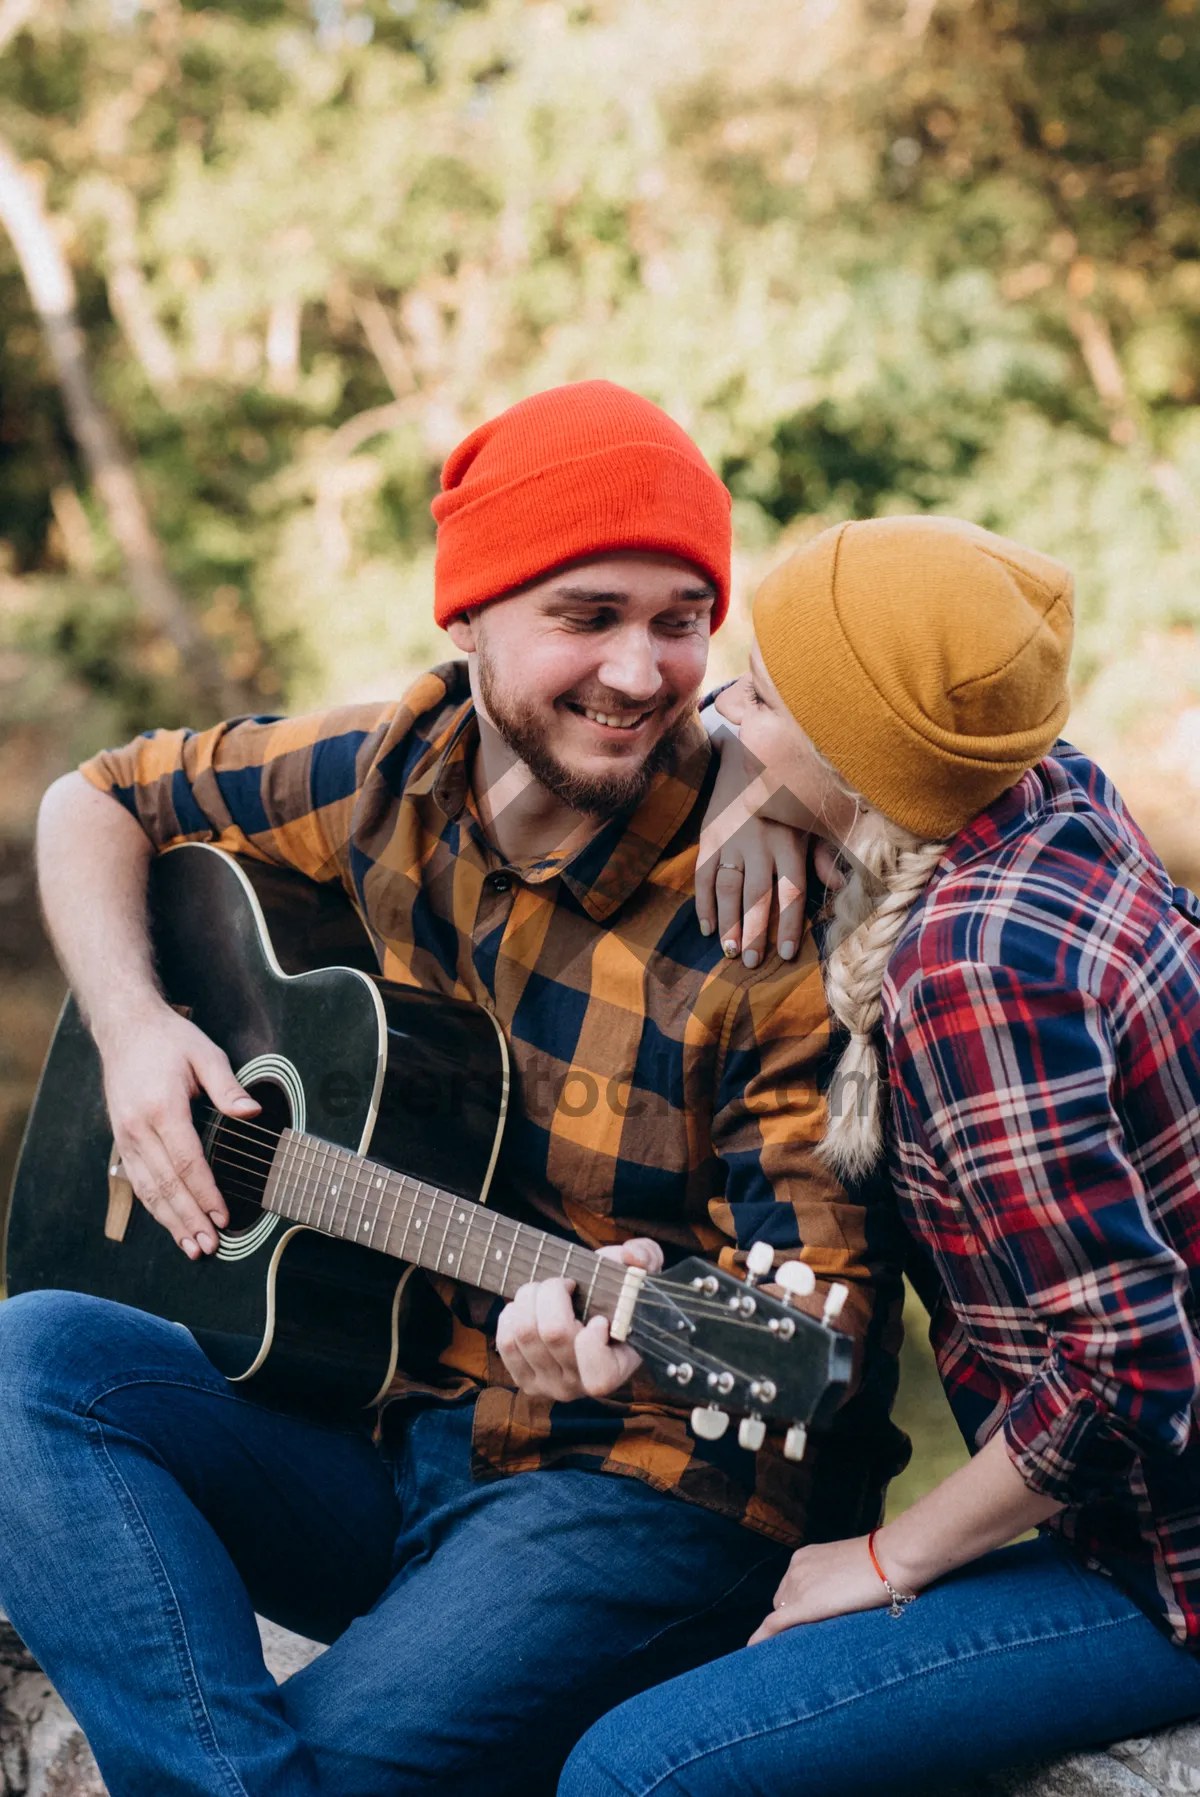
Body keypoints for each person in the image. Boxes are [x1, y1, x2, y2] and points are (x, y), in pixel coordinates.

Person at [0, 382, 907, 1797]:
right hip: (394, 1419)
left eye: (681, 618)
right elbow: (97, 797)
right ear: (469, 617)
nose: (641, 670)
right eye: (587, 615)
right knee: (32, 1358)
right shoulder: (387, 773)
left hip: (647, 1480)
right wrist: (132, 1033)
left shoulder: (770, 919)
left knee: (329, 1767)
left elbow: (826, 1336)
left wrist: (627, 1322)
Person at [556, 515, 1200, 1797]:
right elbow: (861, 746)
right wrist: (769, 800)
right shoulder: (1045, 794)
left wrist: (890, 1557)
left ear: (853, 753)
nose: (723, 719)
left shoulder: (970, 971)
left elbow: (1126, 1370)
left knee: (637, 1773)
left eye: (759, 699)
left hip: (1165, 1564)